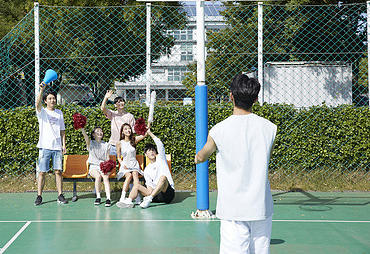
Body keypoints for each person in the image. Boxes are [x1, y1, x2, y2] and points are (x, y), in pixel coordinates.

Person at [194, 74, 277, 254]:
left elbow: (201, 156)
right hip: (261, 206)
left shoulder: (219, 130)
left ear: (231, 96)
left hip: (233, 209)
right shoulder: (269, 128)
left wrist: (198, 156)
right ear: (255, 98)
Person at [116, 129, 175, 209]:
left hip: (167, 194)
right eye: (149, 151)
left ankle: (148, 199)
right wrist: (148, 192)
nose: (152, 152)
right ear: (146, 154)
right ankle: (129, 201)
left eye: (153, 150)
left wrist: (149, 133)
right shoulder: (147, 169)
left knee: (163, 177)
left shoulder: (161, 159)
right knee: (137, 185)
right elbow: (149, 185)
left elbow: (160, 144)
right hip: (155, 195)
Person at [34, 83, 68, 205]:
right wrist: (42, 90)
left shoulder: (59, 113)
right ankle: (39, 196)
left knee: (58, 171)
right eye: (50, 99)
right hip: (44, 147)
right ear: (45, 101)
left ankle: (60, 194)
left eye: (53, 98)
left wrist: (63, 145)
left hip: (57, 147)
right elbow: (37, 103)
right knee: (42, 172)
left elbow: (62, 130)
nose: (52, 100)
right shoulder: (42, 112)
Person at [79, 126, 113, 207]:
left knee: (106, 178)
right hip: (94, 166)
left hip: (103, 166)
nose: (100, 132)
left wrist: (108, 167)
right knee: (98, 177)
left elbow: (108, 158)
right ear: (93, 134)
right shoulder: (90, 143)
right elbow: (85, 135)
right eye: (97, 131)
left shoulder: (106, 144)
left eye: (101, 131)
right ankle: (98, 197)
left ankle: (108, 198)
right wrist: (82, 127)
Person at [115, 123, 146, 205]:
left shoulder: (134, 140)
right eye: (125, 129)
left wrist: (147, 125)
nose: (128, 130)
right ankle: (122, 197)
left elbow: (144, 134)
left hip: (134, 164)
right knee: (129, 176)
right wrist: (122, 164)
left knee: (135, 174)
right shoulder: (119, 143)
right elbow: (118, 157)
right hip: (125, 164)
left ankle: (138, 197)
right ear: (122, 132)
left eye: (129, 129)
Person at [101, 90, 135, 157]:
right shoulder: (113, 114)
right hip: (113, 145)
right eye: (118, 102)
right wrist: (106, 98)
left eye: (122, 101)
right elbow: (103, 108)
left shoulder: (130, 116)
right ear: (115, 105)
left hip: (125, 145)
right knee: (111, 164)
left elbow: (133, 131)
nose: (120, 103)